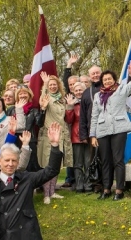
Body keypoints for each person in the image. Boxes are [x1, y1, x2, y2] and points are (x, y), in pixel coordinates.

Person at [89, 53, 131, 200]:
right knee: (105, 161)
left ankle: (119, 190)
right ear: (102, 81)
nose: (107, 81)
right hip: (102, 131)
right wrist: (92, 135)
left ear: (114, 80)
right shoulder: (97, 96)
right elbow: (94, 116)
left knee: (117, 160)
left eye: (109, 79)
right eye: (104, 79)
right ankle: (106, 189)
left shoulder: (121, 90)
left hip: (119, 129)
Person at [36, 72, 72, 204]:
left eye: (54, 84)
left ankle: (52, 192)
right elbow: (42, 102)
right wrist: (45, 84)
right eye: (50, 85)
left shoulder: (62, 99)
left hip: (61, 134)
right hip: (49, 135)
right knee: (48, 164)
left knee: (56, 164)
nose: (52, 86)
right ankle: (46, 194)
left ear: (58, 85)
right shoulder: (45, 98)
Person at [78, 64, 102, 193]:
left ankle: (107, 184)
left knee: (106, 158)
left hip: (107, 129)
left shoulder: (108, 87)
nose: (95, 75)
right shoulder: (87, 92)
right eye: (93, 73)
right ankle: (96, 184)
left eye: (97, 72)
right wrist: (83, 135)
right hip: (92, 132)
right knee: (94, 159)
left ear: (101, 73)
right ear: (89, 76)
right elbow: (82, 115)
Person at [65, 77, 89, 193]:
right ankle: (79, 184)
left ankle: (88, 183)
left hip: (89, 135)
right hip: (76, 135)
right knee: (78, 163)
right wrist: (69, 107)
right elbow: (69, 120)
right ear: (73, 92)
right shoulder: (72, 104)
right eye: (76, 90)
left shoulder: (89, 101)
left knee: (88, 162)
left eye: (81, 90)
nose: (79, 92)